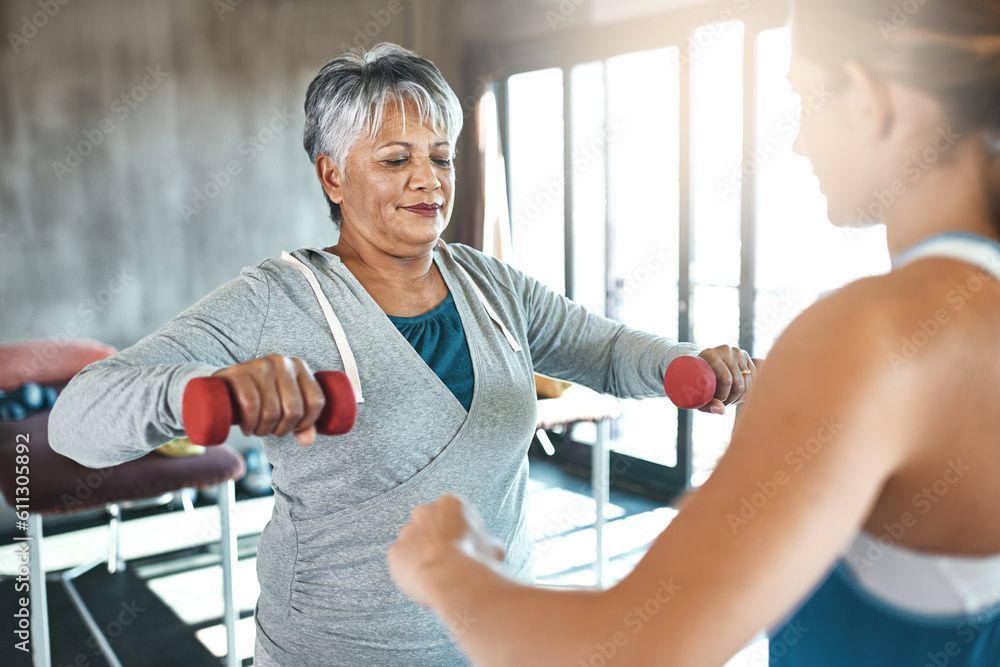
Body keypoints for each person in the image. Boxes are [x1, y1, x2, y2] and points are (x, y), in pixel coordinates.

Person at [48, 43, 753, 666]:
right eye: (396, 160)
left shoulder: (487, 281)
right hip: (335, 650)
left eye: (440, 156)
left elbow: (600, 347)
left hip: (499, 639)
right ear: (332, 176)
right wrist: (202, 389)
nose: (430, 180)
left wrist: (679, 363)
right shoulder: (277, 298)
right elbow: (76, 417)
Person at [387, 2, 1000, 665]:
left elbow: (625, 650)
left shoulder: (866, 337)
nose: (798, 139)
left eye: (805, 97)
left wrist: (454, 570)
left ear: (873, 100)